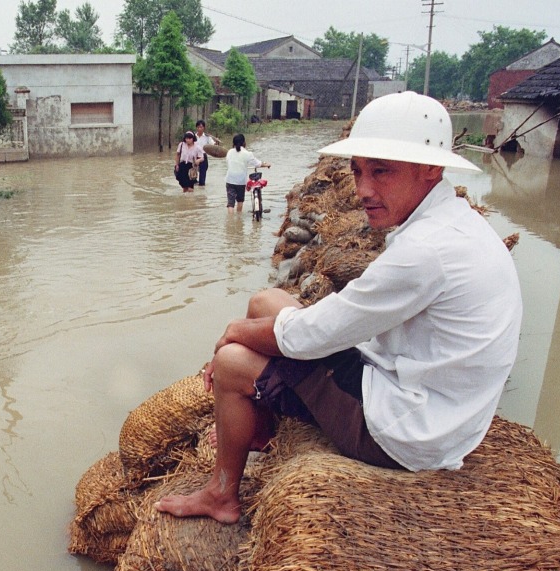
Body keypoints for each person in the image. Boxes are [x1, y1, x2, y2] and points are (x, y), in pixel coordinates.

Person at [155, 92, 523, 524]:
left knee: (233, 362)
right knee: (264, 301)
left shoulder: (426, 250)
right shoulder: (452, 221)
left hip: (409, 429)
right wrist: (258, 325)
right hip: (423, 391)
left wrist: (235, 331)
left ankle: (221, 495)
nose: (364, 190)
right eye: (358, 171)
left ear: (431, 168)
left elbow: (309, 336)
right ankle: (258, 425)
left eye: (382, 171)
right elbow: (335, 324)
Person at [224, 133, 271, 212]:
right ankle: (239, 220)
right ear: (244, 143)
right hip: (240, 181)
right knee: (240, 201)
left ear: (233, 143)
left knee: (230, 204)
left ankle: (230, 221)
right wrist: (266, 164)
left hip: (230, 180)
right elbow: (258, 163)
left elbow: (228, 162)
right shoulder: (248, 154)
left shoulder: (229, 152)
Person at [193, 120, 217, 186]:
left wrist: (216, 143)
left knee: (202, 180)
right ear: (196, 128)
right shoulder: (193, 137)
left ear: (204, 128)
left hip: (203, 156)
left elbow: (213, 145)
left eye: (201, 127)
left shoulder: (207, 137)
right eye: (198, 127)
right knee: (192, 178)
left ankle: (201, 191)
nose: (199, 129)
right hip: (194, 156)